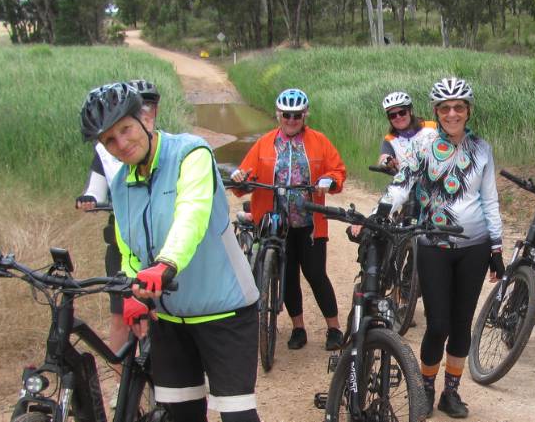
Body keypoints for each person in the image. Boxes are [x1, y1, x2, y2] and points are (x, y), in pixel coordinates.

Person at [79, 82, 261, 422]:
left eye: (125, 129)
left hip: (225, 313)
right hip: (170, 321)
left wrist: (166, 263)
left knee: (237, 416)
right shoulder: (121, 183)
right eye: (109, 141)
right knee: (182, 416)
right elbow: (128, 246)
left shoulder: (191, 153)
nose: (121, 144)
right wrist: (135, 288)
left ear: (145, 119)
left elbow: (191, 213)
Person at [379, 77, 505, 418]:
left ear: (468, 111)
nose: (452, 113)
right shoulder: (423, 147)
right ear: (436, 112)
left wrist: (496, 246)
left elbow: (490, 199)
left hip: (475, 246)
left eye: (459, 107)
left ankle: (451, 391)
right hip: (433, 243)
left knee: (461, 324)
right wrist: (378, 214)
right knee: (438, 325)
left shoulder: (482, 149)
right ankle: (425, 387)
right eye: (445, 108)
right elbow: (401, 185)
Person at [230, 88, 347, 351]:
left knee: (316, 274)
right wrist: (240, 178)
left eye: (296, 115)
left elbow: (337, 170)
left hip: (309, 223)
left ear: (305, 115)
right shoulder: (264, 143)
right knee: (289, 276)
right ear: (278, 114)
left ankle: (334, 328)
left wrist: (329, 181)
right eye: (286, 115)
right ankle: (298, 328)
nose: (291, 120)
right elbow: (245, 174)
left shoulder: (319, 141)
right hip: (275, 223)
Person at [75, 79, 160, 362]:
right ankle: (123, 384)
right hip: (122, 242)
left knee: (165, 317)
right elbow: (95, 189)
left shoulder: (164, 147)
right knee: (120, 316)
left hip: (161, 244)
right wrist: (88, 198)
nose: (120, 142)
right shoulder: (104, 152)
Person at [376, 91, 438, 171]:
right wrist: (387, 161)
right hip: (407, 181)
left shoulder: (432, 127)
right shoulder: (390, 139)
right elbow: (383, 157)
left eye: (402, 112)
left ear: (410, 111)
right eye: (393, 115)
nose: (398, 117)